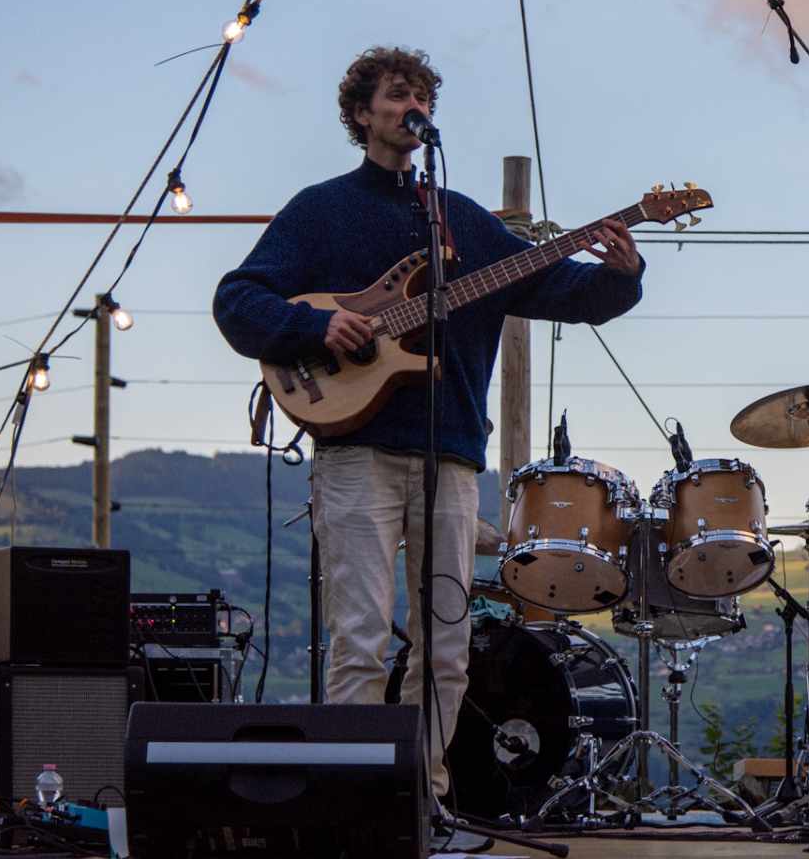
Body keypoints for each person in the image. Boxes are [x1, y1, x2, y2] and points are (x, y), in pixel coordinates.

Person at [212, 46, 644, 831]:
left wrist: (620, 274)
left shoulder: (462, 222)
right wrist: (315, 323)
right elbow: (237, 298)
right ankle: (345, 805)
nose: (413, 104)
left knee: (445, 646)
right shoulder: (321, 209)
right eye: (397, 93)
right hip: (355, 453)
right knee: (361, 638)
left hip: (448, 456)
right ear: (362, 114)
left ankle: (421, 798)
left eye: (421, 95)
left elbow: (559, 288)